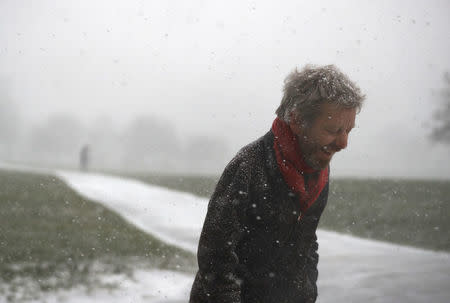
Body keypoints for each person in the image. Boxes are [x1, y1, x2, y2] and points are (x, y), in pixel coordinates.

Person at [189, 64, 365, 303]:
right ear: (296, 120)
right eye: (333, 130)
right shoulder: (248, 166)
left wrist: (306, 290)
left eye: (348, 131)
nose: (343, 143)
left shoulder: (317, 169)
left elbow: (307, 241)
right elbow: (216, 258)